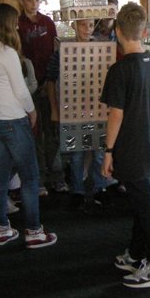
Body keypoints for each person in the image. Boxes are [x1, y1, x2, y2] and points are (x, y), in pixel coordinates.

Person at [101, 2, 150, 289]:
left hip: (132, 148)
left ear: (117, 31)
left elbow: (115, 115)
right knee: (143, 202)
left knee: (146, 207)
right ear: (144, 32)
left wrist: (108, 151)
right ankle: (136, 253)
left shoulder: (119, 70)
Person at [0, 3, 57, 248]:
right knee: (30, 177)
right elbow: (20, 90)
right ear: (6, 25)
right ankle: (34, 231)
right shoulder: (7, 52)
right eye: (13, 23)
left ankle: (1, 228)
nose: (17, 27)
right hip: (12, 118)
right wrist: (32, 111)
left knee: (0, 176)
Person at [46, 18, 108, 209]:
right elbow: (50, 80)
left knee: (98, 152)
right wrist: (54, 109)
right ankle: (78, 191)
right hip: (72, 108)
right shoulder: (62, 51)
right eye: (82, 25)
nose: (87, 29)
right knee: (76, 154)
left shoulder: (101, 49)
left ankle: (100, 188)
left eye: (90, 25)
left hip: (97, 108)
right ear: (74, 25)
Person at [17, 0, 66, 195]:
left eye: (37, 0)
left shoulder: (47, 22)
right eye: (30, 1)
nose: (34, 4)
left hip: (49, 82)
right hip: (28, 85)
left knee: (53, 131)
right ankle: (38, 178)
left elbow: (55, 51)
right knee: (35, 133)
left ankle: (57, 176)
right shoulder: (18, 25)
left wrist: (50, 80)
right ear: (22, 1)